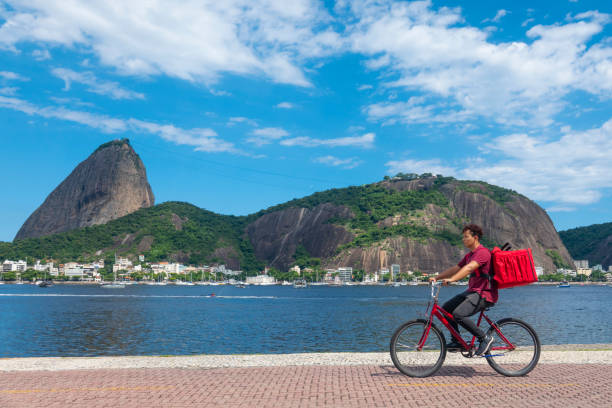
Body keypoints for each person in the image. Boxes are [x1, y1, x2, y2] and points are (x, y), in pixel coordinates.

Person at [429, 224, 498, 355]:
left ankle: (485, 338)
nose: (463, 240)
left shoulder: (482, 253)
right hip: (473, 292)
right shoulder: (469, 255)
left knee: (458, 314)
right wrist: (437, 277)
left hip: (484, 294)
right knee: (446, 308)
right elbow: (456, 268)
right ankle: (457, 340)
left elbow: (468, 268)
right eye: (463, 237)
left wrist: (452, 279)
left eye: (466, 237)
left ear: (475, 238)